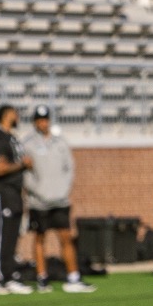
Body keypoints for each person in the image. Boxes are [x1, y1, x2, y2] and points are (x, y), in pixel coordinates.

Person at [21, 106, 92, 293]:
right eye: (39, 120)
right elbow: (25, 173)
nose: (42, 123)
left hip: (60, 200)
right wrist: (36, 191)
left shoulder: (60, 143)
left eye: (45, 119)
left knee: (66, 237)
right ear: (35, 122)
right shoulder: (27, 144)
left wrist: (63, 190)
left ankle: (73, 277)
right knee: (39, 238)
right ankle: (42, 278)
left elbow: (69, 168)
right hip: (39, 201)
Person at [0, 104, 33, 296]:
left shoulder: (12, 138)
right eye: (15, 113)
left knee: (13, 235)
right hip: (1, 192)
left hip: (14, 193)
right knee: (1, 233)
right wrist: (22, 165)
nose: (17, 117)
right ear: (6, 115)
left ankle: (9, 275)